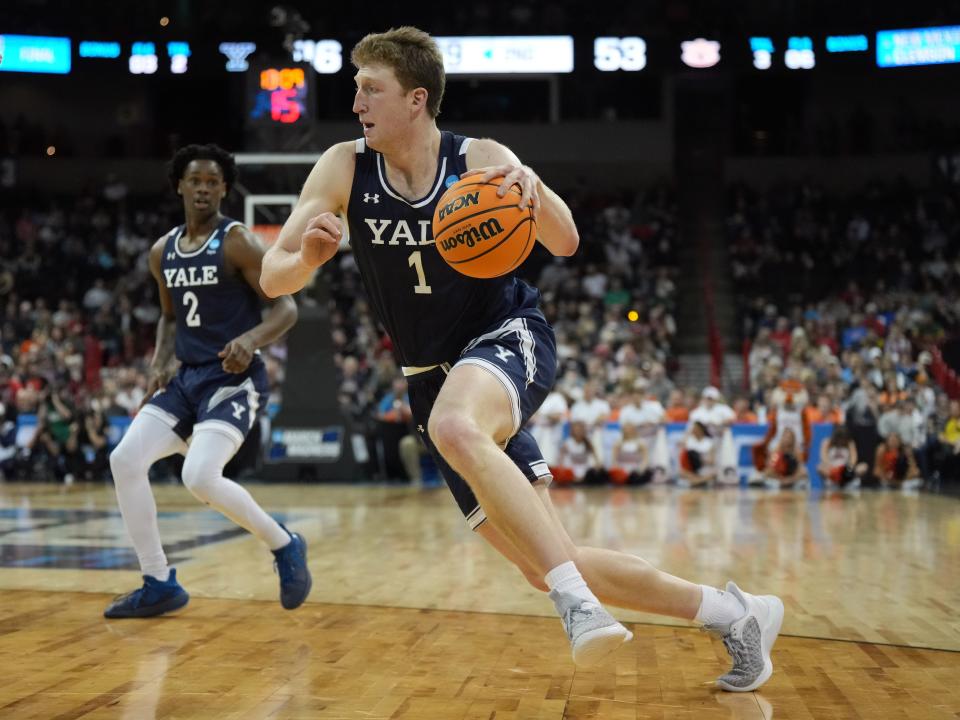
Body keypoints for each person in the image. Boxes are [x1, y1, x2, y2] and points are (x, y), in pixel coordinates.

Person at [260, 27, 782, 688]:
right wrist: (305, 255)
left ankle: (578, 608)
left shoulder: (478, 157)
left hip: (505, 336)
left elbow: (564, 241)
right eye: (357, 87)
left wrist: (530, 185)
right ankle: (736, 613)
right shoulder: (344, 165)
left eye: (371, 88)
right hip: (429, 377)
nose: (356, 100)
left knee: (458, 430)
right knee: (548, 557)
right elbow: (274, 278)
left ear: (415, 99)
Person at [104, 144, 308, 619]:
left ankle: (284, 544)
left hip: (233, 380)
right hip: (186, 379)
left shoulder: (237, 241)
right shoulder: (163, 252)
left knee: (198, 476)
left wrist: (251, 339)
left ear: (223, 189)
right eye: (195, 180)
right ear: (179, 185)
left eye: (212, 182)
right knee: (125, 460)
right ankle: (158, 582)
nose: (203, 189)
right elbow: (169, 318)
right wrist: (158, 361)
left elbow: (287, 306)